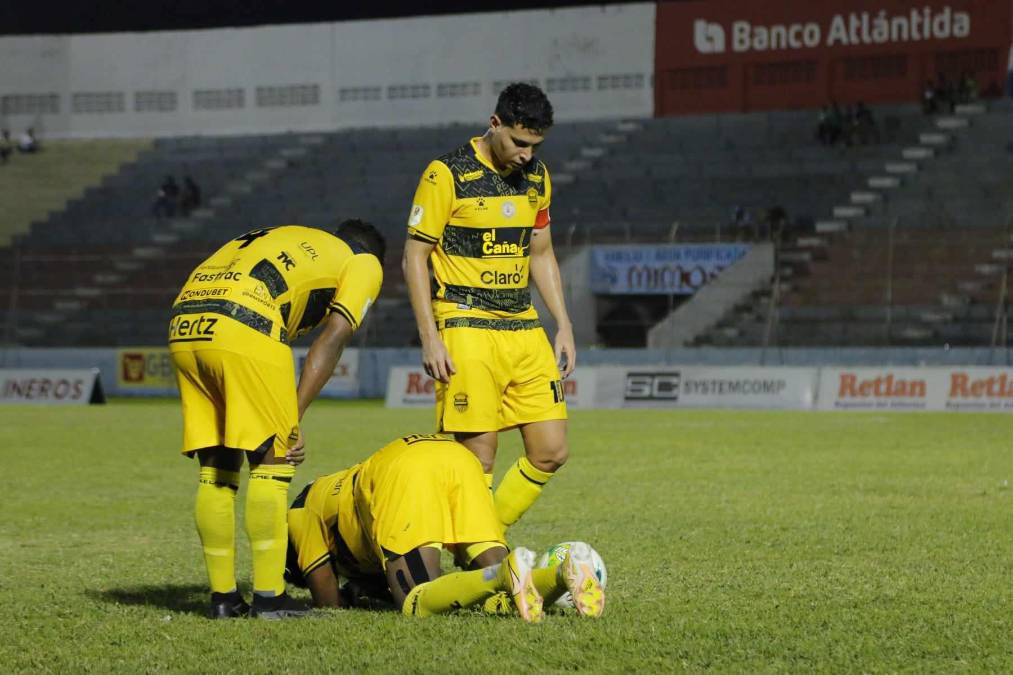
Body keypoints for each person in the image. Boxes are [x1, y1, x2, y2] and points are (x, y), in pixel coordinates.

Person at [169, 220, 385, 620]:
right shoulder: (364, 261)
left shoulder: (301, 239)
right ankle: (270, 598)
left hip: (186, 322)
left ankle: (224, 599)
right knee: (272, 464)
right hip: (245, 319)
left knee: (217, 472)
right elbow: (333, 337)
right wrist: (291, 418)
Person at [402, 82, 575, 531]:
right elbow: (414, 257)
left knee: (552, 450)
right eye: (518, 142)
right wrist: (430, 338)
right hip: (466, 323)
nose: (526, 155)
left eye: (535, 146)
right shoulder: (446, 173)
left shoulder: (537, 177)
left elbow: (541, 254)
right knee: (477, 458)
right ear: (494, 124)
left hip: (523, 325)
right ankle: (480, 556)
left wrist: (564, 324)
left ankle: (482, 533)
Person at [285, 433, 606, 621]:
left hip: (404, 472)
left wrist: (344, 596)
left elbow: (328, 601)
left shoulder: (300, 511)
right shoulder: (330, 490)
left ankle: (502, 573)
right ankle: (562, 572)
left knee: (416, 601)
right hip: (456, 459)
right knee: (502, 597)